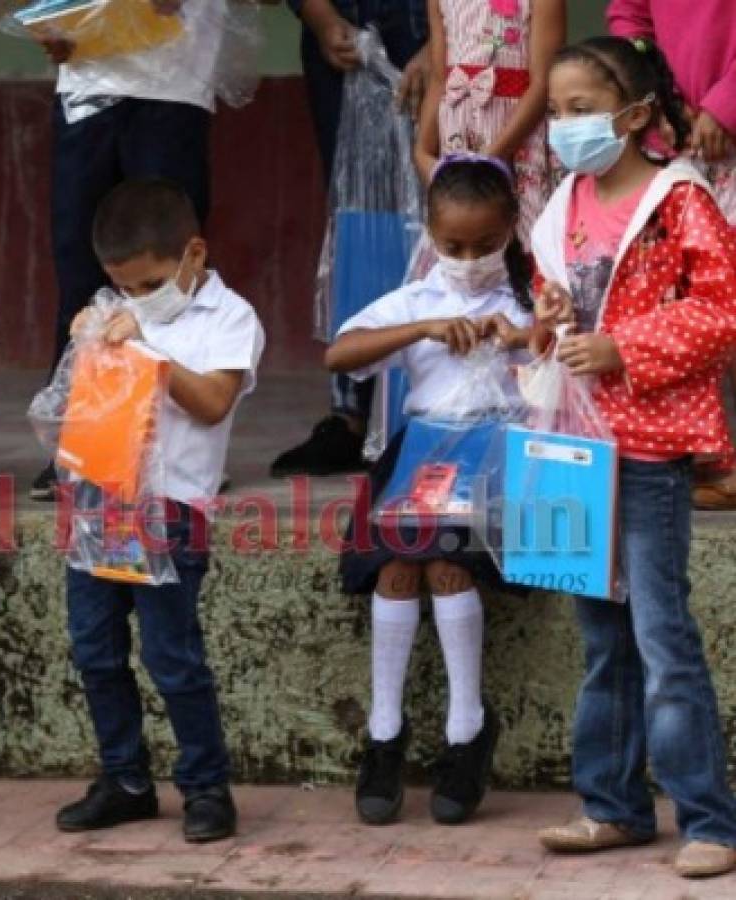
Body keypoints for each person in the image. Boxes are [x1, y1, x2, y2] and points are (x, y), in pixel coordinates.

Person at [529, 38, 736, 879]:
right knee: (603, 639)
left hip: (648, 449)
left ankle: (707, 820)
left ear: (638, 115)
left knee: (660, 633)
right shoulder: (559, 204)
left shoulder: (677, 200)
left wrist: (624, 346)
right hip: (574, 451)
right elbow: (554, 312)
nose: (563, 126)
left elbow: (721, 310)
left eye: (581, 110)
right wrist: (546, 317)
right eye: (555, 111)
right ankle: (611, 808)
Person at [53, 178, 263, 843]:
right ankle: (124, 778)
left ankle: (205, 787)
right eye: (123, 287)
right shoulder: (110, 306)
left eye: (148, 284)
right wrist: (87, 335)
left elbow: (211, 403)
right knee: (95, 649)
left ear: (191, 255)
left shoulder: (230, 317)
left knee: (172, 656)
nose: (135, 298)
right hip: (98, 499)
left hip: (171, 508)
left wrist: (147, 350)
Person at [329, 154, 533, 825]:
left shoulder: (523, 300)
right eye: (451, 245)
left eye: (484, 245)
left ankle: (464, 728)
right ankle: (384, 731)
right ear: (429, 232)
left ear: (511, 228)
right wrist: (421, 329)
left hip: (495, 457)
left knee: (446, 564)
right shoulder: (416, 298)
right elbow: (341, 353)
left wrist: (522, 338)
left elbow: (564, 359)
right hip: (422, 454)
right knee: (394, 565)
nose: (468, 258)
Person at [31, 0, 223, 500]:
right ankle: (81, 444)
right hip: (86, 80)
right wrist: (46, 20)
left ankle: (182, 451)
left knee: (169, 267)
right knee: (81, 264)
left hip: (174, 83)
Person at [271, 0, 430, 478]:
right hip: (339, 28)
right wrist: (322, 18)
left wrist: (442, 45)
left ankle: (421, 408)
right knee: (355, 212)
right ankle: (352, 414)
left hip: (432, 28)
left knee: (436, 209)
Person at [606, 0, 736, 510]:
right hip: (676, 130)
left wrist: (723, 105)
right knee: (686, 297)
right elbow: (629, 18)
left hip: (718, 126)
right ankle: (708, 451)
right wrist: (660, 95)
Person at [415, 0, 565, 240]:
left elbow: (542, 85)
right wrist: (422, 150)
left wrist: (488, 161)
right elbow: (439, 78)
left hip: (518, 137)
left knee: (524, 235)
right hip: (459, 140)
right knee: (463, 235)